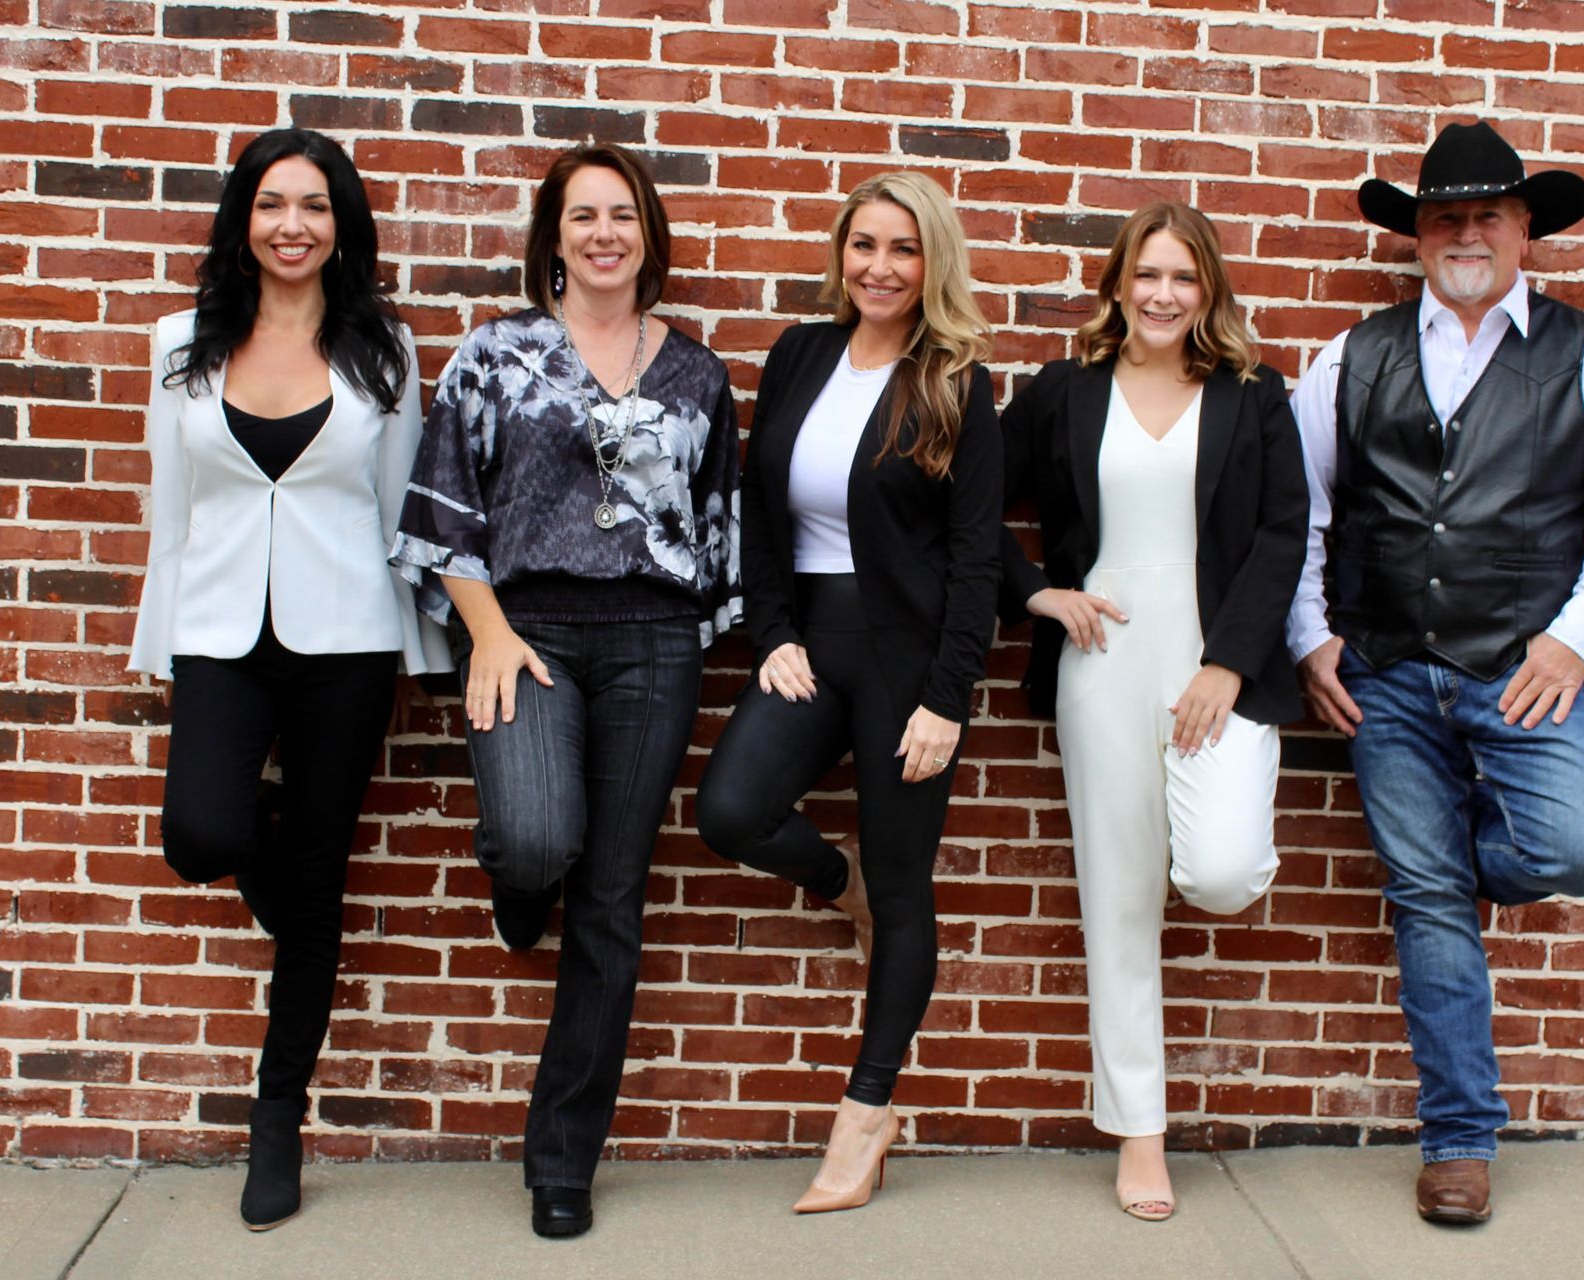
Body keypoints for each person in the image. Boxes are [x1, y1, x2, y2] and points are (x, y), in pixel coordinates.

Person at [1288, 121, 1584, 1225]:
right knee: (1427, 903)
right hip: (1388, 674)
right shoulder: (1347, 359)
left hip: (1522, 672)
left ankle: (1445, 876)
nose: (1466, 232)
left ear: (1525, 232)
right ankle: (1459, 1139)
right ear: (1416, 234)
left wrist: (1573, 638)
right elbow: (1301, 513)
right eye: (1445, 215)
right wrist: (1312, 636)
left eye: (1487, 215)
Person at [390, 142, 739, 1239]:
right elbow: (443, 507)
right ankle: (518, 884)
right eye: (583, 215)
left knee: (613, 900)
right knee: (539, 840)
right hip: (526, 628)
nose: (604, 234)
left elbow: (718, 524)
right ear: (554, 236)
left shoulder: (696, 372)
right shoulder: (497, 353)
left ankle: (561, 1156)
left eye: (622, 215)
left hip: (652, 637)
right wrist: (484, 627)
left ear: (648, 234)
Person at [129, 128, 450, 1230]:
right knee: (201, 835)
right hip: (221, 629)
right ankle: (266, 841)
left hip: (347, 639)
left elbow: (403, 507)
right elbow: (169, 510)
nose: (293, 225)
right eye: (273, 204)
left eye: (315, 205)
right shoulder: (182, 343)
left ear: (342, 223)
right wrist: (158, 640)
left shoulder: (385, 351)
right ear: (243, 218)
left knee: (315, 892)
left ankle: (278, 1118)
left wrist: (422, 653)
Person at [695, 171, 1001, 1215]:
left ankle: (867, 1112)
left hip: (909, 661)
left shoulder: (957, 379)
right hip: (811, 640)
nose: (879, 267)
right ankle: (840, 881)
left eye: (904, 250)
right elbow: (758, 510)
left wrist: (949, 695)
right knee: (730, 808)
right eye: (864, 245)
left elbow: (973, 559)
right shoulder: (800, 354)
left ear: (933, 264)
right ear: (841, 253)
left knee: (910, 886)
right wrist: (771, 630)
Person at [998, 202, 1308, 1222]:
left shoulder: (1255, 396)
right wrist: (1037, 588)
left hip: (1215, 659)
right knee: (1118, 904)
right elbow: (966, 496)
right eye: (1147, 274)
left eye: (1183, 276)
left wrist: (1228, 661)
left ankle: (1197, 834)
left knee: (1218, 870)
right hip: (1105, 657)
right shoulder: (1064, 392)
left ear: (1208, 288)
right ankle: (1140, 1130)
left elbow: (1283, 531)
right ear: (1118, 283)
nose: (1164, 294)